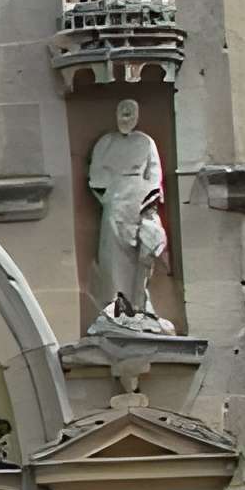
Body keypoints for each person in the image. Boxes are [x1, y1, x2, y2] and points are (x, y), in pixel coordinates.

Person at [86, 96, 172, 329]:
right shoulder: (106, 143)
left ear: (136, 116)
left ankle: (140, 306)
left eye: (130, 112)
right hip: (114, 203)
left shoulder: (145, 142)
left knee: (141, 257)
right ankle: (116, 306)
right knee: (112, 257)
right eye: (122, 111)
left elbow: (154, 176)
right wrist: (110, 195)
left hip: (140, 202)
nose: (126, 117)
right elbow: (96, 176)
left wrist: (147, 202)